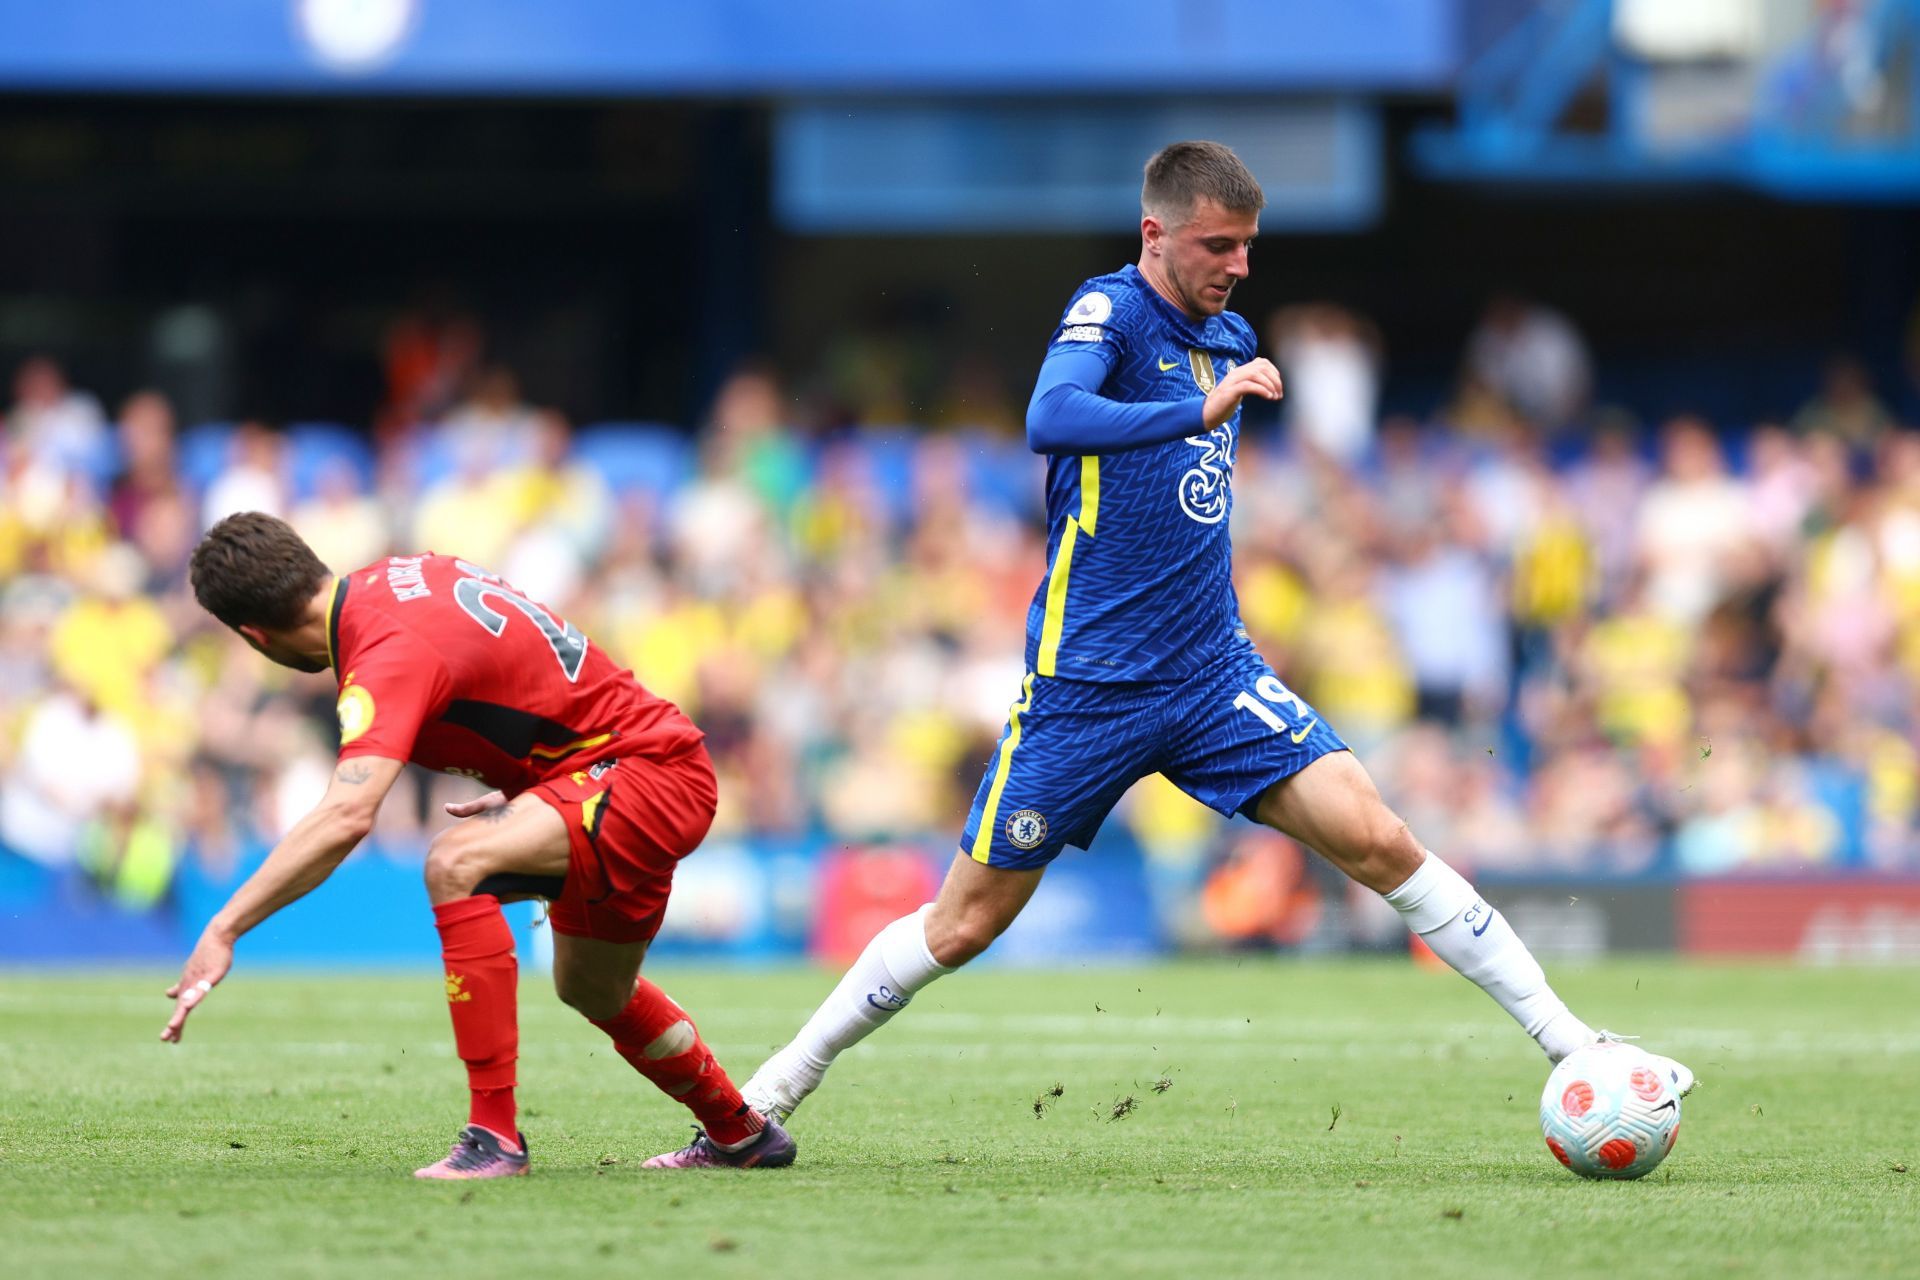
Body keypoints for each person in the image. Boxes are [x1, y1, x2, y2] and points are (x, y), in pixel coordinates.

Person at [732, 141, 1694, 1141]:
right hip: (1088, 684)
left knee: (1378, 834)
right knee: (965, 921)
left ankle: (1573, 1039)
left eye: (1248, 246)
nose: (1237, 265)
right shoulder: (1109, 311)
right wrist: (1204, 405)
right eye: (1217, 244)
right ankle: (764, 1099)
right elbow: (1050, 417)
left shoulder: (1232, 334)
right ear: (1155, 234)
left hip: (1208, 672)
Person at [163, 512, 794, 1177]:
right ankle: (741, 1134)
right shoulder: (406, 574)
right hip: (615, 770)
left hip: (644, 777)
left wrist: (226, 927)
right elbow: (525, 671)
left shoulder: (382, 651)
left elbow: (348, 813)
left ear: (255, 636)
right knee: (593, 987)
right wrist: (540, 784)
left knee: (453, 862)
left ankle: (494, 1139)